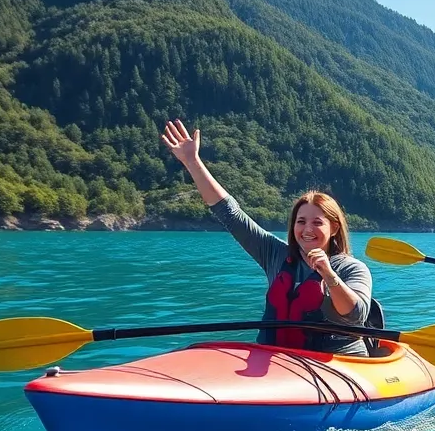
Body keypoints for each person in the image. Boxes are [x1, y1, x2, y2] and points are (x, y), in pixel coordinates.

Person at [160, 119, 375, 356]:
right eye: (300, 221)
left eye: (317, 222)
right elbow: (230, 215)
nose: (307, 230)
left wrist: (328, 274)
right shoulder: (275, 254)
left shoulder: (353, 269)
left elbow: (355, 315)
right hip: (276, 362)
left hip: (336, 367)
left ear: (334, 228)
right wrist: (192, 162)